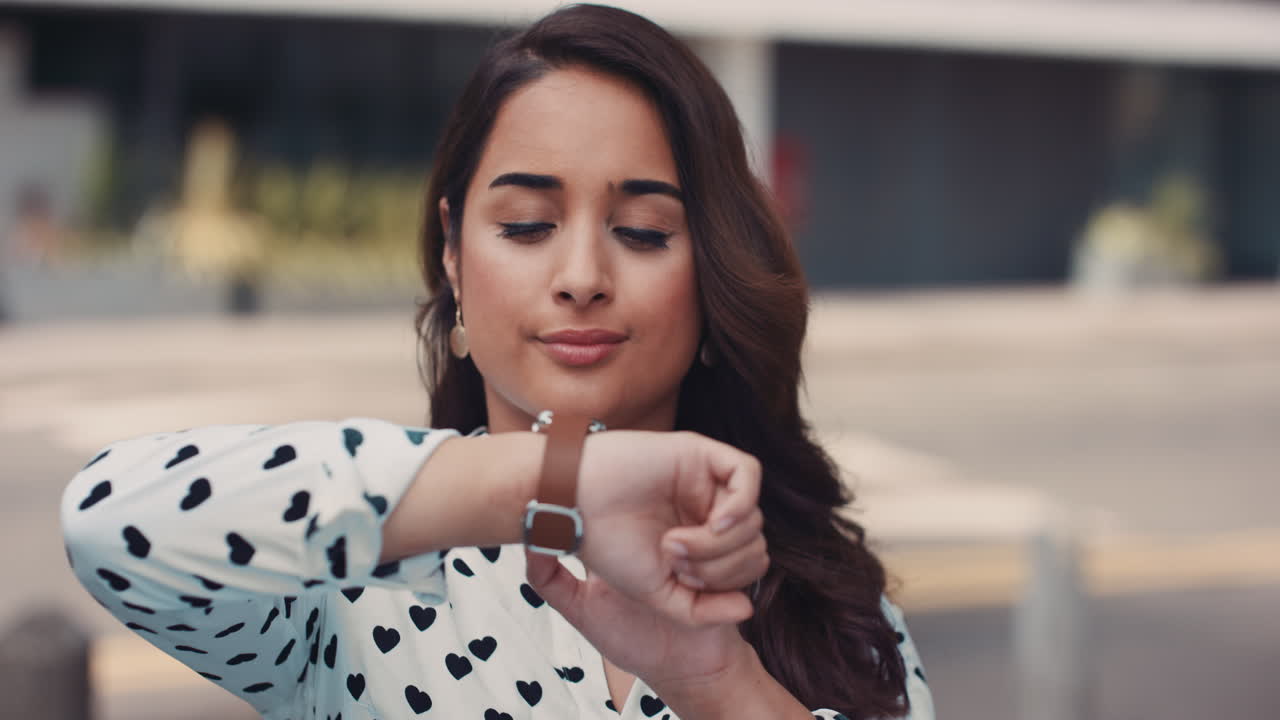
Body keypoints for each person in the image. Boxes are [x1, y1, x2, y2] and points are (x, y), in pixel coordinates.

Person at [61, 5, 934, 719]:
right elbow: (108, 521)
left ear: (711, 274)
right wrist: (557, 487)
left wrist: (720, 686)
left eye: (643, 232)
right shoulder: (347, 581)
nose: (583, 277)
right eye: (527, 225)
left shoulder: (838, 618)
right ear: (452, 251)